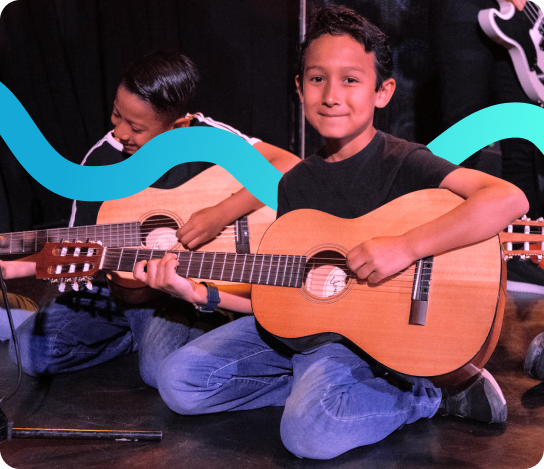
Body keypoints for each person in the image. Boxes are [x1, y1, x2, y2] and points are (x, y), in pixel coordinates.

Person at [132, 6, 528, 460]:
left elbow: (508, 198)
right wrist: (198, 294)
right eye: (317, 79)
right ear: (300, 88)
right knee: (179, 382)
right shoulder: (296, 183)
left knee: (309, 435)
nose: (331, 95)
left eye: (351, 80)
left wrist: (405, 248)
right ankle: (316, 392)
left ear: (383, 92)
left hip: (358, 346)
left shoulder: (402, 161)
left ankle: (425, 395)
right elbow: (281, 294)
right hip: (299, 337)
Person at [3, 51, 299, 387]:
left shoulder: (203, 138)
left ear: (177, 126)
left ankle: (184, 333)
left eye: (136, 127)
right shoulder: (104, 158)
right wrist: (16, 266)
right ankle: (134, 338)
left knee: (159, 371)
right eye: (117, 115)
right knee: (28, 351)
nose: (120, 132)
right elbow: (74, 248)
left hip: (182, 295)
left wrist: (220, 214)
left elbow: (289, 165)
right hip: (116, 293)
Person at [431, 0, 544, 295]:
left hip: (525, 18)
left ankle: (519, 254)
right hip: (466, 10)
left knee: (522, 143)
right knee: (460, 143)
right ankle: (442, 254)